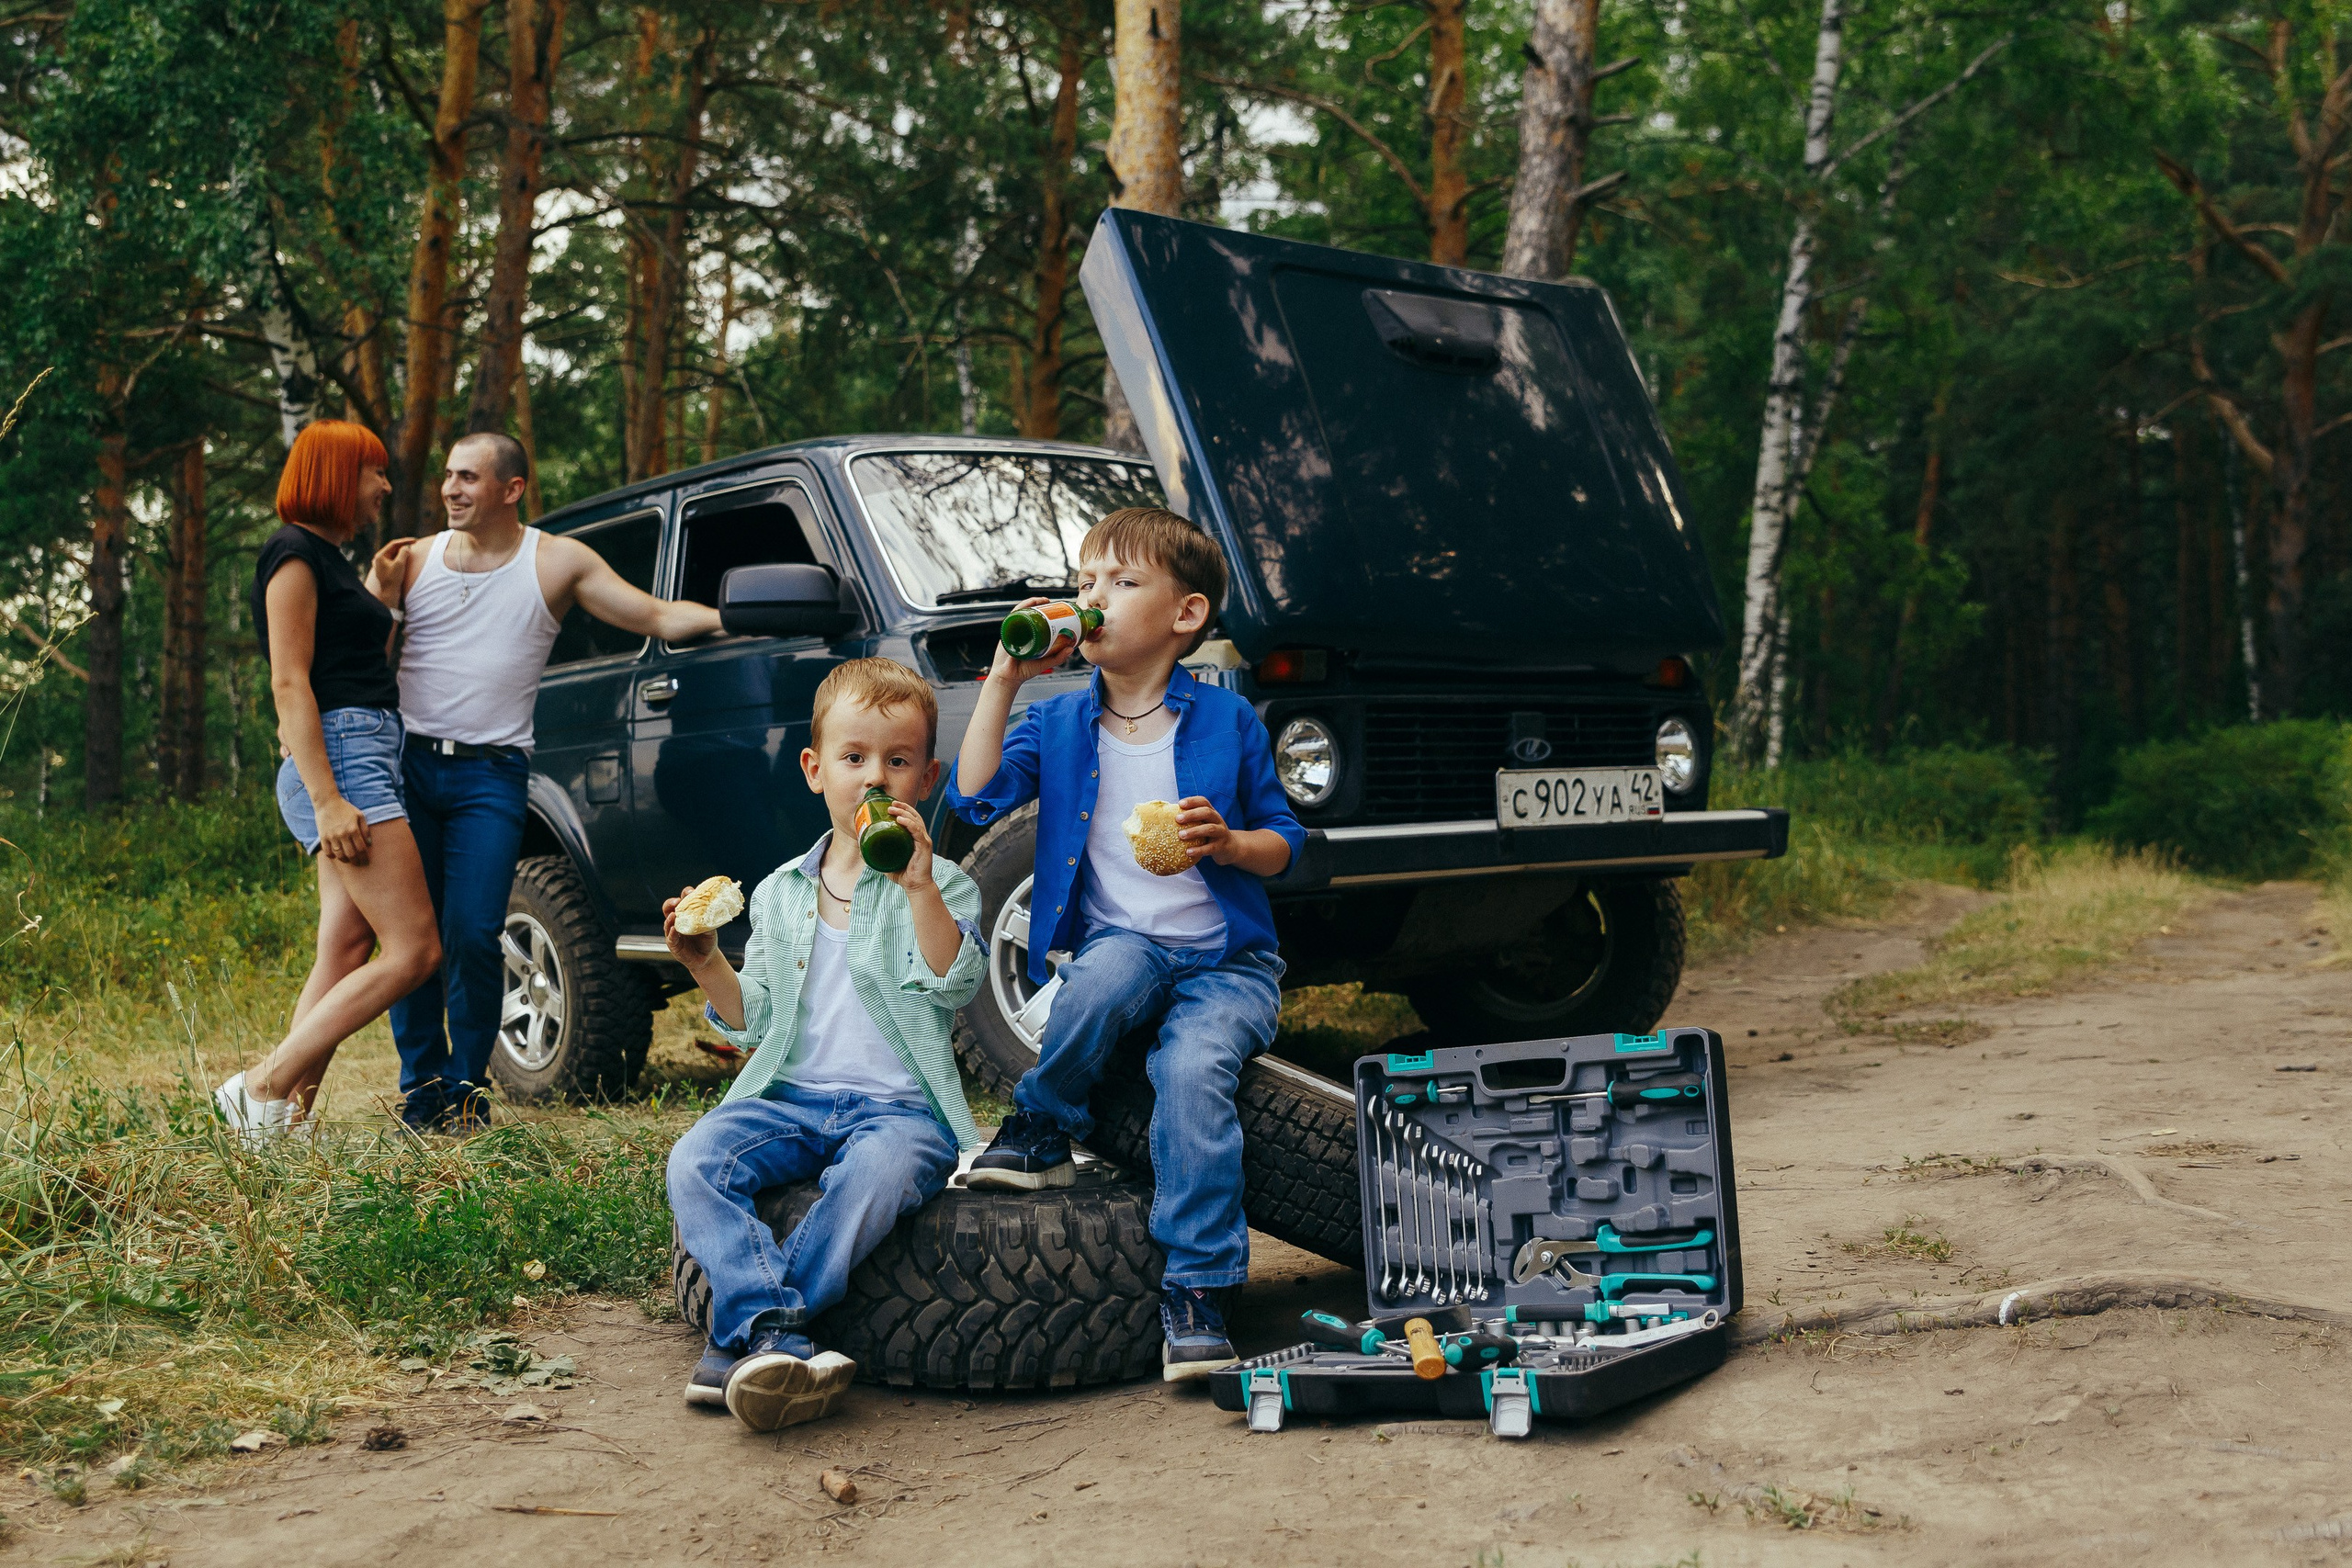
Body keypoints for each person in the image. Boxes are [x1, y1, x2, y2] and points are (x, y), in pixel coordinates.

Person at [947, 507, 1305, 1381]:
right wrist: (1003, 678)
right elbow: (974, 794)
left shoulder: (1228, 724)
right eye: (1084, 583)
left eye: (1120, 581)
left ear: (1185, 616)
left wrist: (1229, 842)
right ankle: (1041, 1123)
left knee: (1191, 1073)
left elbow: (1285, 841)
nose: (1093, 599)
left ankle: (1200, 1282)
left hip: (1226, 961)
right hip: (1127, 942)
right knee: (1098, 979)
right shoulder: (1062, 724)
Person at [662, 658, 987, 1432]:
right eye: (855, 758)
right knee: (695, 1160)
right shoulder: (777, 892)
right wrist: (706, 961)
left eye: (898, 761)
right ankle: (773, 1331)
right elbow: (754, 1020)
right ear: (815, 769)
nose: (876, 779)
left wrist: (918, 887)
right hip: (793, 1099)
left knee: (875, 1175)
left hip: (899, 1109)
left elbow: (954, 982)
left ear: (927, 777)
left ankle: (751, 1331)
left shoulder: (945, 882)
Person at [367, 432, 721, 1133]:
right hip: (409, 766)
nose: (451, 489)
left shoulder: (556, 561)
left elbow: (652, 615)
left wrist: (732, 619)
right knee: (412, 939)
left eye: (468, 477)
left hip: (491, 776)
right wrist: (379, 592)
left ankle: (464, 1091)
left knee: (473, 932)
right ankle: (420, 1090)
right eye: (448, 476)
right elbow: (358, 655)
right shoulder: (411, 561)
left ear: (512, 488)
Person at [214, 421, 443, 1139]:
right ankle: (262, 1084)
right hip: (341, 759)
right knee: (415, 950)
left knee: (345, 949)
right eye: (374, 472)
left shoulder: (330, 559)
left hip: (358, 750)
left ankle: (280, 1119)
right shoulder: (291, 553)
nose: (384, 485)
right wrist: (327, 798)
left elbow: (345, 653)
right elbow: (289, 680)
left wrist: (377, 590)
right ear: (338, 474)